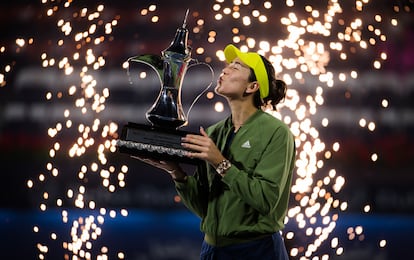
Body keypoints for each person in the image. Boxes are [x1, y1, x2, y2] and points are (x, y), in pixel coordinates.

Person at [136, 44, 296, 259]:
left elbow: (266, 201)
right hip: (212, 249)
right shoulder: (214, 132)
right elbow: (205, 208)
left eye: (236, 67)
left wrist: (220, 162)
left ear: (252, 87)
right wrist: (178, 174)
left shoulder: (277, 133)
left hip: (257, 250)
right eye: (228, 65)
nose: (226, 69)